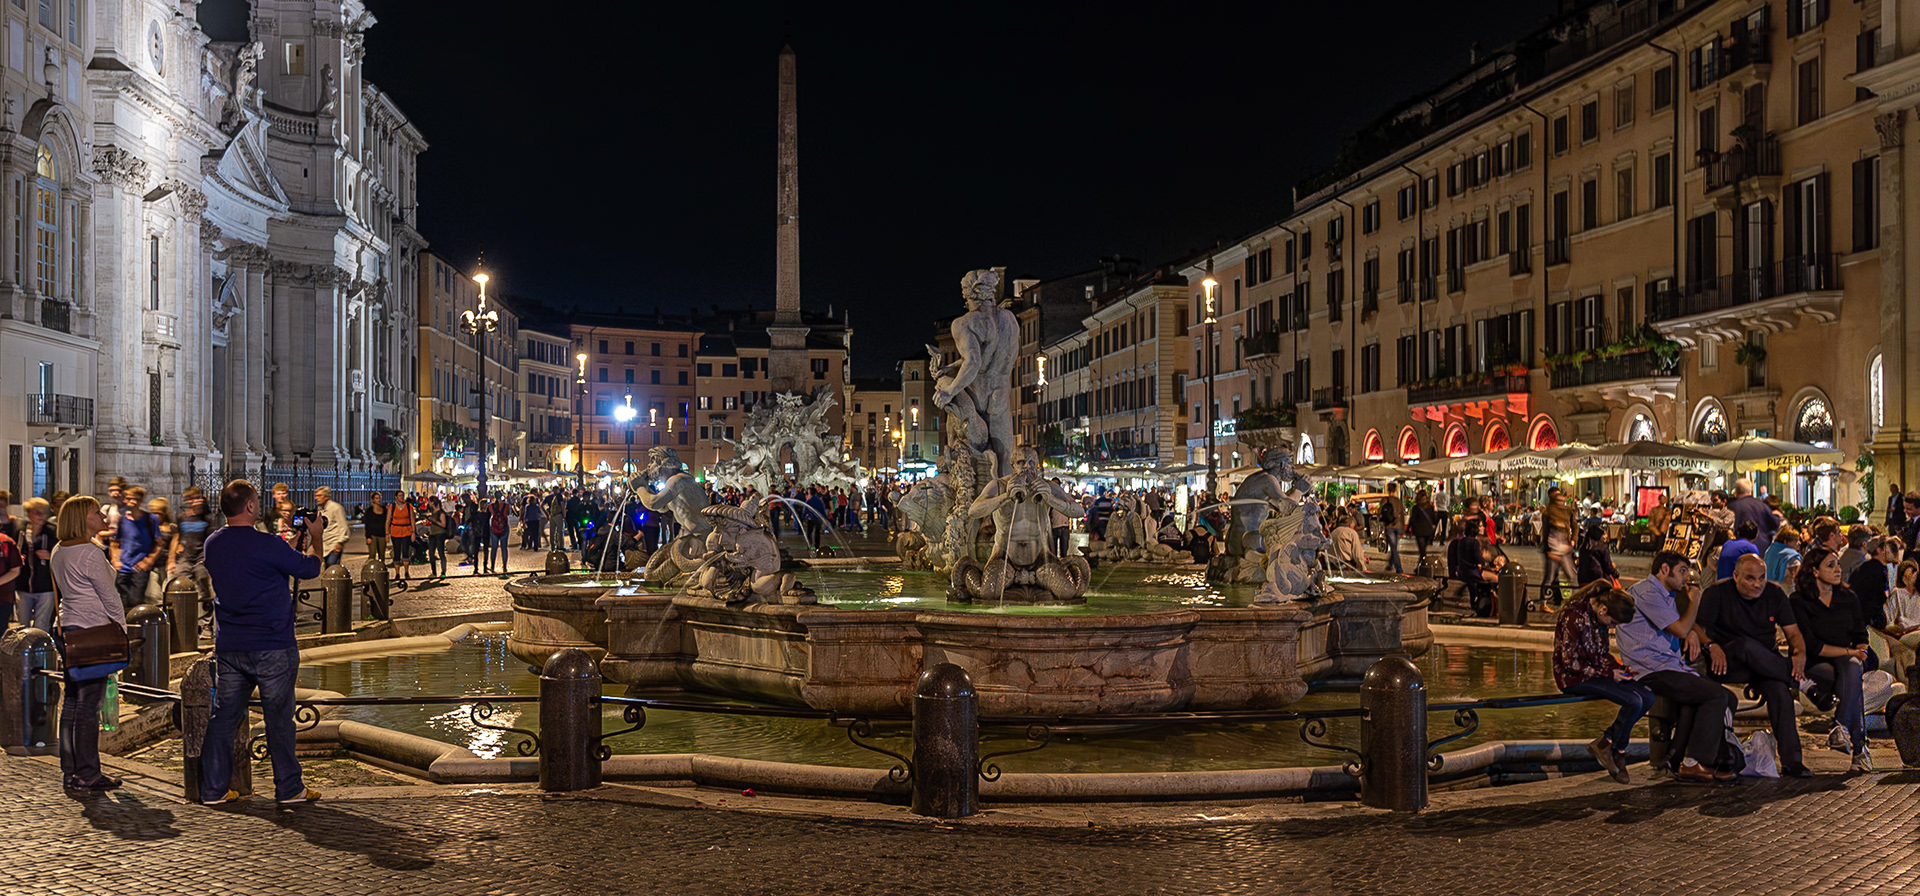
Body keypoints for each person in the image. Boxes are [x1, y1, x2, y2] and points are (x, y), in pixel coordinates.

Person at [199, 480, 324, 806]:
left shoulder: (213, 544)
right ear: (251, 507)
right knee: (279, 719)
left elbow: (251, 569)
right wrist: (317, 539)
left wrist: (289, 547)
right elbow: (310, 569)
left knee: (224, 718)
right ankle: (289, 788)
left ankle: (213, 788)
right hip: (272, 644)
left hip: (231, 646)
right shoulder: (267, 544)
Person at [1618, 552, 1740, 783]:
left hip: (1669, 665)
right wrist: (1694, 602)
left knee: (1726, 697)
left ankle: (1679, 758)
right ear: (1665, 569)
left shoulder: (1665, 595)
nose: (1686, 577)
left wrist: (1692, 632)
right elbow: (1680, 629)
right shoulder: (1648, 592)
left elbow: (1681, 628)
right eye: (1682, 570)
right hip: (1650, 669)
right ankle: (1695, 761)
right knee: (1714, 695)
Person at [1694, 553, 1814, 777]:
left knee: (1780, 693)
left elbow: (1793, 633)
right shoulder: (1717, 593)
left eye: (1761, 578)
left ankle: (1792, 761)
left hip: (1764, 664)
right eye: (1750, 578)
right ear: (1735, 576)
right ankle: (1801, 682)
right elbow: (1698, 628)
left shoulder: (1774, 594)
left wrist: (1799, 654)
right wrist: (1711, 645)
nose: (1757, 584)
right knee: (1746, 645)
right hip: (1727, 659)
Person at [49, 495, 124, 790]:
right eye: (96, 513)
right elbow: (110, 597)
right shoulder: (89, 553)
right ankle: (88, 772)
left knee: (72, 702)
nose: (103, 517)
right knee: (88, 706)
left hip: (68, 629)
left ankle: (70, 768)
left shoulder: (59, 550)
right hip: (92, 631)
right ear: (83, 519)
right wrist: (121, 630)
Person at [1552, 581, 1652, 784]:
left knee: (1648, 696)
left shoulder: (1598, 616)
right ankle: (1618, 752)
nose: (1613, 627)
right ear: (1604, 610)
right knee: (1633, 701)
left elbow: (1601, 653)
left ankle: (1606, 741)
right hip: (1573, 677)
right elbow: (1569, 663)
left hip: (1597, 673)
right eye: (1613, 623)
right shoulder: (1574, 616)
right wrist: (1607, 674)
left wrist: (1619, 669)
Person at [1790, 547, 1872, 771]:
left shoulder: (1848, 597)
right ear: (1814, 571)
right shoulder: (1799, 601)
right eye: (1831, 565)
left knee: (1853, 669)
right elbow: (1811, 645)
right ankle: (1859, 748)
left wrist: (1860, 650)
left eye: (1838, 564)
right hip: (1814, 662)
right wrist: (1850, 652)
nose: (1838, 569)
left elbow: (1859, 634)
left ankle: (1841, 727)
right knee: (1851, 678)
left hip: (1846, 661)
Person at [109, 486, 160, 610]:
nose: (132, 502)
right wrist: (115, 559)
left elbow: (159, 543)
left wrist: (149, 560)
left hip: (139, 567)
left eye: (135, 499)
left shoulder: (150, 519)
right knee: (122, 602)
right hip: (123, 567)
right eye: (129, 498)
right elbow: (115, 542)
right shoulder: (122, 520)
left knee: (135, 600)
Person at [14, 497, 55, 631]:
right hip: (23, 585)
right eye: (37, 512)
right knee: (22, 625)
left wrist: (50, 556)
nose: (42, 516)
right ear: (29, 513)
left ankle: (39, 651)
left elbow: (61, 555)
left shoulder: (52, 531)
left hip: (45, 586)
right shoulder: (20, 530)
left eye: (44, 512)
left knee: (41, 625)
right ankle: (22, 651)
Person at [1847, 536, 1900, 629]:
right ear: (1879, 550)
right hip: (1868, 625)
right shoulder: (1876, 571)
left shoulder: (1867, 568)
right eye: (1888, 547)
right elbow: (1875, 601)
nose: (1894, 551)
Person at [1447, 521, 1497, 617]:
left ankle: (1474, 605)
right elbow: (1478, 559)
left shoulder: (1462, 541)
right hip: (1473, 572)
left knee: (1472, 588)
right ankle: (1488, 605)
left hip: (1463, 571)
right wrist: (1484, 559)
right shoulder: (1474, 543)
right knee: (1492, 580)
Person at [1542, 488, 1576, 602]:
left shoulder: (1567, 511)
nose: (1562, 503)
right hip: (1553, 550)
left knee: (1571, 576)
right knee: (1550, 577)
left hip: (1564, 549)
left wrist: (1573, 540)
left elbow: (1574, 525)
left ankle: (1575, 600)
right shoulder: (1549, 514)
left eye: (1563, 501)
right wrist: (1549, 551)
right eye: (1559, 501)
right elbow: (1547, 534)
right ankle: (1544, 601)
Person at [1728, 478, 1779, 551]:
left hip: (1741, 548)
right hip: (1763, 547)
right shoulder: (1762, 505)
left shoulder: (1733, 507)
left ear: (1737, 490)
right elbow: (1775, 523)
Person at [1575, 520, 1617, 586]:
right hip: (1598, 579)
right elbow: (1607, 566)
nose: (1605, 536)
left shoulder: (1583, 547)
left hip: (1582, 579)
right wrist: (1615, 574)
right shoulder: (1602, 547)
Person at [314, 487, 348, 568]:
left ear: (326, 497)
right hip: (324, 545)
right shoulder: (319, 509)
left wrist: (340, 543)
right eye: (316, 496)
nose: (316, 498)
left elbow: (343, 526)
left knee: (331, 568)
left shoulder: (336, 508)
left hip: (333, 545)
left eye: (319, 496)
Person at [387, 490, 415, 583]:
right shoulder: (392, 507)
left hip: (406, 530)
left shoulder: (408, 506)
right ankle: (397, 573)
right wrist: (386, 533)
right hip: (395, 531)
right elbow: (388, 521)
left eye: (402, 495)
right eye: (399, 496)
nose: (401, 497)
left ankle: (406, 572)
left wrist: (413, 532)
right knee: (397, 551)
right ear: (396, 497)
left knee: (406, 551)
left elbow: (412, 519)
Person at [1378, 482, 1405, 574]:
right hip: (1398, 526)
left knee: (1393, 548)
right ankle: (1390, 564)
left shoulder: (1385, 500)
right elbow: (1402, 514)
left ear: (1388, 489)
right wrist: (1403, 527)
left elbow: (1380, 512)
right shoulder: (1398, 501)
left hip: (1389, 526)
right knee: (1394, 546)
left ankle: (1399, 568)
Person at [1408, 490, 1439, 566]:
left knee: (1422, 550)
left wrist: (1408, 528)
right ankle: (1421, 565)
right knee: (1423, 550)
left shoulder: (1416, 508)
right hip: (1428, 531)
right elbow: (1434, 518)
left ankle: (1422, 566)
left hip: (1420, 531)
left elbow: (1413, 519)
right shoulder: (1430, 507)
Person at [423, 498, 449, 580]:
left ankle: (443, 572)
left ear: (433, 502)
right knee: (431, 553)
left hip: (440, 534)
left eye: (429, 502)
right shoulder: (433, 512)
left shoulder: (441, 513)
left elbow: (443, 525)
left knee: (441, 553)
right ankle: (434, 572)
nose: (428, 503)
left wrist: (433, 520)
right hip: (432, 534)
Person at [486, 493, 510, 575]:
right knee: (504, 548)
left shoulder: (490, 506)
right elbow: (508, 513)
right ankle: (505, 566)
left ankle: (492, 566)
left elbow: (489, 516)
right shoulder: (506, 505)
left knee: (494, 548)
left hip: (494, 528)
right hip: (504, 527)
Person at [362, 492, 389, 565]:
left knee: (382, 556)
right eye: (376, 498)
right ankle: (369, 569)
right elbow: (367, 524)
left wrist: (387, 534)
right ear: (373, 500)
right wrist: (368, 536)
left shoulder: (384, 510)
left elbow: (387, 522)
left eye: (379, 498)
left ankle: (381, 570)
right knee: (372, 554)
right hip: (373, 535)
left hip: (382, 535)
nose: (379, 500)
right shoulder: (369, 511)